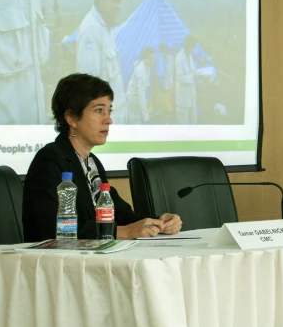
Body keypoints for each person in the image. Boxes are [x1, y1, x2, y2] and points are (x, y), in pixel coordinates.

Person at [23, 73, 182, 241]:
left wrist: (159, 223)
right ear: (71, 118)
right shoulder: (49, 160)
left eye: (109, 110)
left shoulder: (91, 163)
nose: (109, 120)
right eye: (99, 110)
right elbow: (54, 230)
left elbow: (120, 214)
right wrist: (124, 232)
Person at [76, 0, 129, 124]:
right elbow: (89, 87)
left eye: (119, 1)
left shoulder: (106, 28)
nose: (118, 6)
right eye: (114, 0)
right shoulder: (92, 30)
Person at [126, 47, 155, 124]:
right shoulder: (141, 70)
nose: (153, 61)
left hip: (136, 100)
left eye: (153, 58)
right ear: (145, 58)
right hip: (133, 100)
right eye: (151, 58)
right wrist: (146, 117)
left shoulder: (146, 66)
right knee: (135, 122)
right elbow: (141, 94)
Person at [175, 34, 199, 124]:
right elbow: (181, 78)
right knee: (183, 125)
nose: (193, 49)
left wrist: (197, 74)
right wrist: (193, 77)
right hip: (183, 98)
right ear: (188, 46)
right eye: (192, 46)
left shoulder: (190, 56)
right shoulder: (179, 58)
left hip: (191, 96)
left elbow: (191, 71)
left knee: (194, 122)